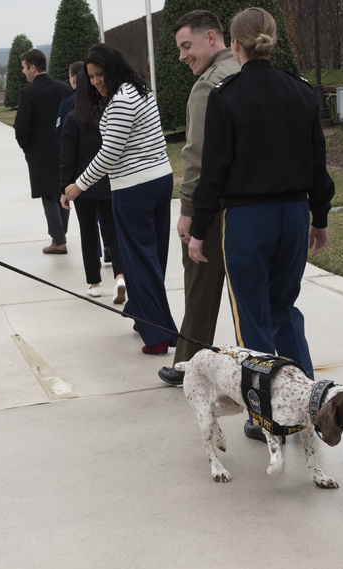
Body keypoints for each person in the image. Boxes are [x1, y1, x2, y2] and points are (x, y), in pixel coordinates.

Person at [189, 7, 333, 424]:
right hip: (292, 213)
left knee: (251, 318)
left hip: (248, 219)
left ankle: (267, 414)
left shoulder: (226, 95)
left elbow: (212, 172)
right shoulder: (302, 91)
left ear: (234, 44)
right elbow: (317, 164)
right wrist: (319, 217)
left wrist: (199, 228)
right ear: (273, 39)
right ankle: (307, 402)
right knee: (284, 308)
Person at [64, 43, 179, 355]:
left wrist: (78, 185)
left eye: (100, 74)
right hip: (160, 180)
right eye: (92, 77)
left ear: (114, 70)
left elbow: (110, 154)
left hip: (133, 189)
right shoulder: (142, 91)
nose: (97, 81)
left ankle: (157, 335)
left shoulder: (119, 103)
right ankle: (144, 316)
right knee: (153, 256)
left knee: (137, 260)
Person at [157, 10, 240, 391]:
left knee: (200, 282)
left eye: (186, 46)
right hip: (255, 202)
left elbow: (197, 157)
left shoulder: (209, 86)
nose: (182, 55)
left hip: (216, 203)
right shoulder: (247, 71)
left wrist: (188, 211)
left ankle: (188, 361)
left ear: (212, 38)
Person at [59, 71, 125, 299]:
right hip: (109, 182)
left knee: (88, 234)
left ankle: (94, 283)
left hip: (82, 184)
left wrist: (65, 189)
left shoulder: (72, 117)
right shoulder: (110, 112)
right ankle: (120, 276)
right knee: (113, 233)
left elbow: (67, 158)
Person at [14, 48, 72, 255]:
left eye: (23, 68)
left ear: (32, 67)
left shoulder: (27, 93)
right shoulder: (64, 89)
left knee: (48, 195)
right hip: (63, 148)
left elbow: (20, 127)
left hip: (39, 151)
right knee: (63, 191)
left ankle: (58, 240)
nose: (23, 72)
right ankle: (61, 233)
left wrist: (27, 147)